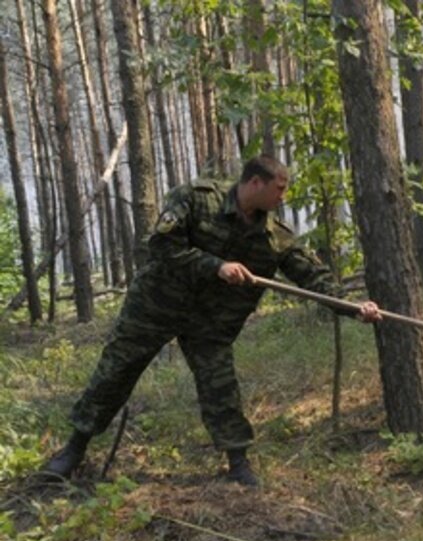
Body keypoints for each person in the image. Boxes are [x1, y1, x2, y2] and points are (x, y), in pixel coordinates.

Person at [38, 156, 381, 487]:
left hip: (210, 323)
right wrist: (215, 265)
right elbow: (160, 245)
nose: (283, 196)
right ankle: (73, 450)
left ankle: (237, 462)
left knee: (220, 386)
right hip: (155, 307)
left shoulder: (274, 235)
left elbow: (313, 277)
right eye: (279, 188)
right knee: (115, 372)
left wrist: (353, 307)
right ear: (255, 182)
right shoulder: (196, 199)